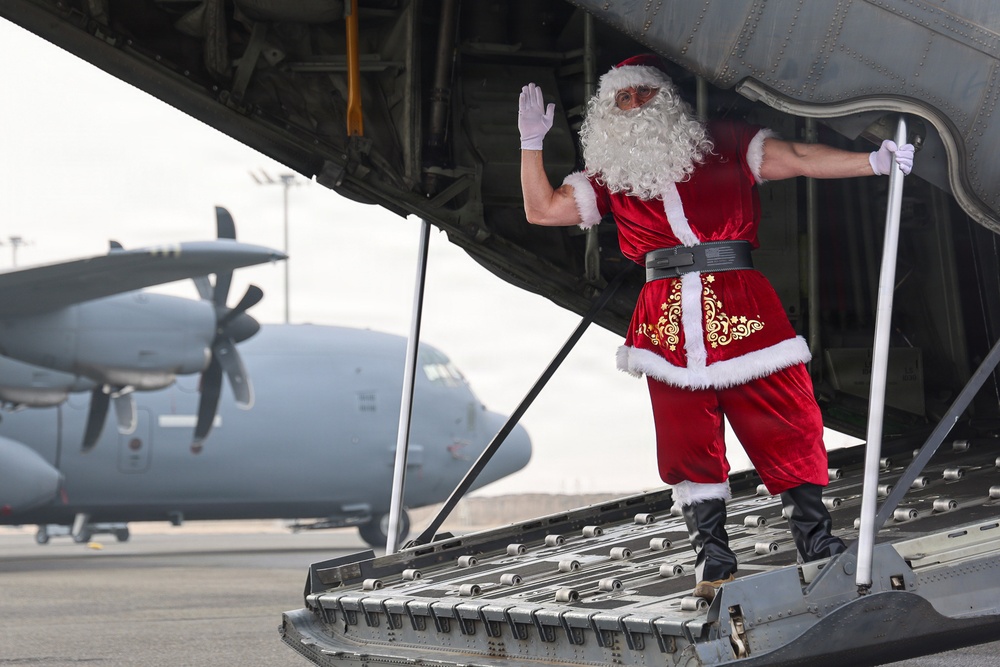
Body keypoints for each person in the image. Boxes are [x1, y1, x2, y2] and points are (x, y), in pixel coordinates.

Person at [517, 54, 914, 603]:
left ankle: (816, 543)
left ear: (667, 98)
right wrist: (531, 143)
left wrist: (870, 162)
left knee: (787, 420)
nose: (633, 107)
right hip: (664, 325)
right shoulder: (609, 177)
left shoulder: (724, 143)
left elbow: (797, 156)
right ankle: (714, 562)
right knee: (685, 441)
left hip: (742, 306)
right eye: (621, 100)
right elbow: (541, 211)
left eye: (643, 95)